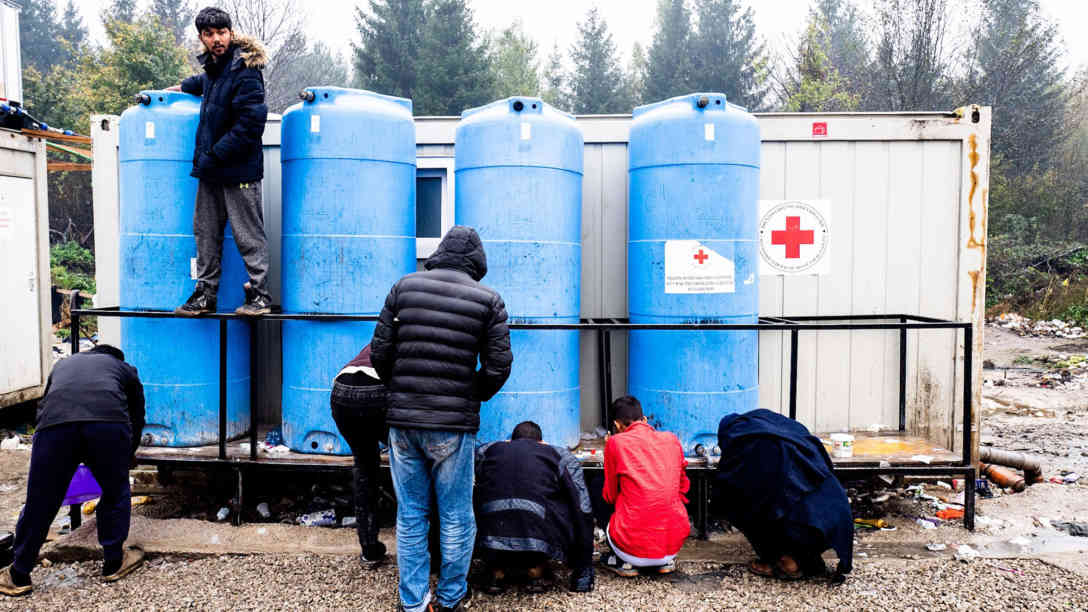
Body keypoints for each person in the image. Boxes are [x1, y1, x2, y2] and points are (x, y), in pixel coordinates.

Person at [370, 225, 513, 612]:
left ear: (440, 252)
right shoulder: (488, 300)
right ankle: (450, 598)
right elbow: (499, 366)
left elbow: (380, 353)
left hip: (403, 421)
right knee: (454, 515)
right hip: (452, 425)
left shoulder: (404, 287)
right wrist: (471, 393)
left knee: (412, 513)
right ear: (477, 261)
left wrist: (400, 391)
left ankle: (413, 602)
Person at [0, 345, 146, 596]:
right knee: (115, 491)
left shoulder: (62, 366)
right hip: (107, 425)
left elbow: (45, 405)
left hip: (54, 427)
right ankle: (113, 562)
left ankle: (18, 574)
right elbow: (137, 415)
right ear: (114, 358)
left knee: (41, 500)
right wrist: (126, 454)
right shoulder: (124, 369)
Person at [170, 6, 272, 317]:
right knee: (205, 232)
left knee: (248, 234)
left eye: (222, 33)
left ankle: (260, 296)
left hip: (237, 169)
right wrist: (183, 87)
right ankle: (205, 295)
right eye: (210, 34)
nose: (217, 39)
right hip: (213, 170)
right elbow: (209, 83)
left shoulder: (246, 70)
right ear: (201, 37)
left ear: (231, 32)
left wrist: (213, 155)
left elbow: (250, 126)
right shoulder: (217, 69)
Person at [713, 409, 853, 582]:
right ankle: (803, 558)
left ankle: (785, 561)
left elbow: (732, 490)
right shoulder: (771, 427)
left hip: (803, 526)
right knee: (790, 501)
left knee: (744, 503)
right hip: (836, 516)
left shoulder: (745, 443)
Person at [474, 421, 595, 595]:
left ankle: (496, 572)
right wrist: (583, 569)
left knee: (485, 496)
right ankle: (535, 570)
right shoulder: (558, 455)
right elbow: (583, 509)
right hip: (537, 542)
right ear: (542, 442)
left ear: (509, 441)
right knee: (568, 501)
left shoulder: (488, 451)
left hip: (491, 539)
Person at [600, 396, 690, 577]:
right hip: (672, 546)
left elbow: (609, 495)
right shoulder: (671, 439)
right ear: (645, 420)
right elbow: (683, 487)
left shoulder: (615, 443)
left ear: (617, 426)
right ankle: (663, 563)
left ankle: (622, 561)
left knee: (597, 487)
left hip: (631, 549)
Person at [329, 343, 388, 569]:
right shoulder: (421, 333)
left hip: (342, 388)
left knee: (365, 466)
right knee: (412, 468)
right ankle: (423, 551)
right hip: (377, 389)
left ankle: (369, 550)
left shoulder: (390, 327)